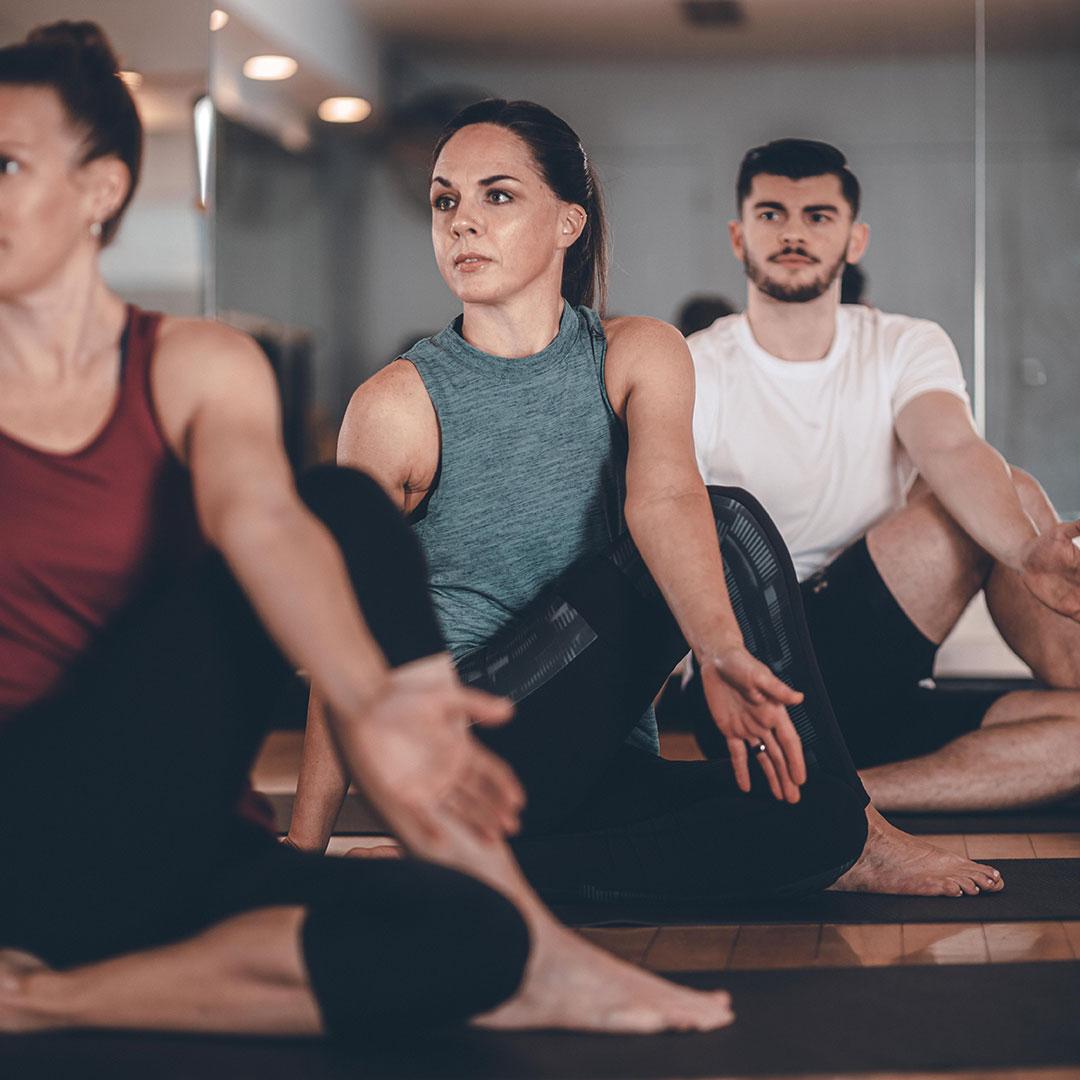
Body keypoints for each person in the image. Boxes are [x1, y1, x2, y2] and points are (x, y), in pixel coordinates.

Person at [0, 22, 740, 1040]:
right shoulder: (407, 395)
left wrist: (359, 742)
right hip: (22, 812)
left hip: (160, 818)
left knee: (475, 941)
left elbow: (277, 534)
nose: (462, 224)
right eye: (446, 201)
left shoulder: (194, 368)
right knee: (346, 508)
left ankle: (39, 998)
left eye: (5, 163)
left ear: (101, 190)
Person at [288, 99, 1003, 901]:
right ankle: (865, 833)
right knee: (727, 520)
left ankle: (487, 873)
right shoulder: (395, 407)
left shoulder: (638, 353)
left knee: (816, 824)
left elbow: (663, 497)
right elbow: (341, 642)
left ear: (568, 222)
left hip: (588, 765)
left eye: (496, 195)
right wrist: (301, 856)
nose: (461, 223)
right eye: (444, 200)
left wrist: (722, 654)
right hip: (464, 746)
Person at [684, 137, 1080, 812]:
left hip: (879, 682)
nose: (793, 233)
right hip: (761, 673)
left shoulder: (904, 343)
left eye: (818, 216)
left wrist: (1026, 552)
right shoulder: (698, 364)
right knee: (1008, 491)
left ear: (854, 238)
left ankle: (842, 798)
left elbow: (949, 446)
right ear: (738, 234)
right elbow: (667, 519)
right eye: (772, 213)